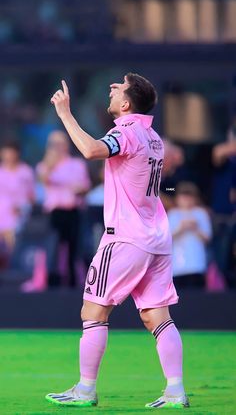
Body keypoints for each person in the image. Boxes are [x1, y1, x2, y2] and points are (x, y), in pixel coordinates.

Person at [45, 74, 189, 409]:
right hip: (157, 239)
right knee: (157, 317)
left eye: (118, 88)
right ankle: (175, 390)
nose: (110, 87)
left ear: (126, 104)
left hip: (126, 238)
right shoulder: (153, 137)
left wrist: (65, 114)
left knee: (93, 311)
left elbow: (92, 150)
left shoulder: (126, 131)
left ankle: (85, 389)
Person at [36, 130, 91, 287]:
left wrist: (75, 188)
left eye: (60, 143)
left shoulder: (77, 164)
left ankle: (73, 281)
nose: (58, 147)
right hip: (54, 212)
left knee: (74, 248)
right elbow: (43, 178)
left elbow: (84, 186)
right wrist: (51, 163)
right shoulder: (45, 165)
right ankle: (52, 280)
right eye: (54, 144)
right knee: (52, 247)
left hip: (73, 210)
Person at [168, 182, 212, 288]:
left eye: (189, 198)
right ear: (177, 198)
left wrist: (195, 228)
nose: (186, 201)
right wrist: (180, 228)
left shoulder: (201, 213)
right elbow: (166, 239)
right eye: (184, 198)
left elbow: (207, 238)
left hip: (197, 265)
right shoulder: (172, 214)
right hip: (177, 266)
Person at [0, 140, 35, 255]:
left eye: (11, 153)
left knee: (14, 254)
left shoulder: (26, 172)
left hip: (17, 219)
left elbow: (32, 197)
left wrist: (23, 208)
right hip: (2, 216)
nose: (8, 156)